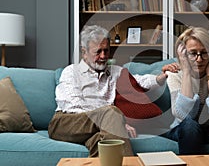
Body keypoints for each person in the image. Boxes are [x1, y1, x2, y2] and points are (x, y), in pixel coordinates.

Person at [48, 25, 167, 157]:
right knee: (111, 112)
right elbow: (73, 106)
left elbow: (139, 81)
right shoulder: (71, 72)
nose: (103, 56)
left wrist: (159, 78)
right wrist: (115, 122)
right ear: (84, 52)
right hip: (67, 122)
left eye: (106, 51)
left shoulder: (115, 71)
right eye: (98, 52)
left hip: (100, 125)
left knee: (102, 143)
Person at [161, 26, 209, 155]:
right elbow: (183, 114)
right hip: (184, 129)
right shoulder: (174, 73)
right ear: (183, 53)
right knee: (190, 125)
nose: (199, 59)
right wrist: (186, 71)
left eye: (204, 52)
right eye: (193, 53)